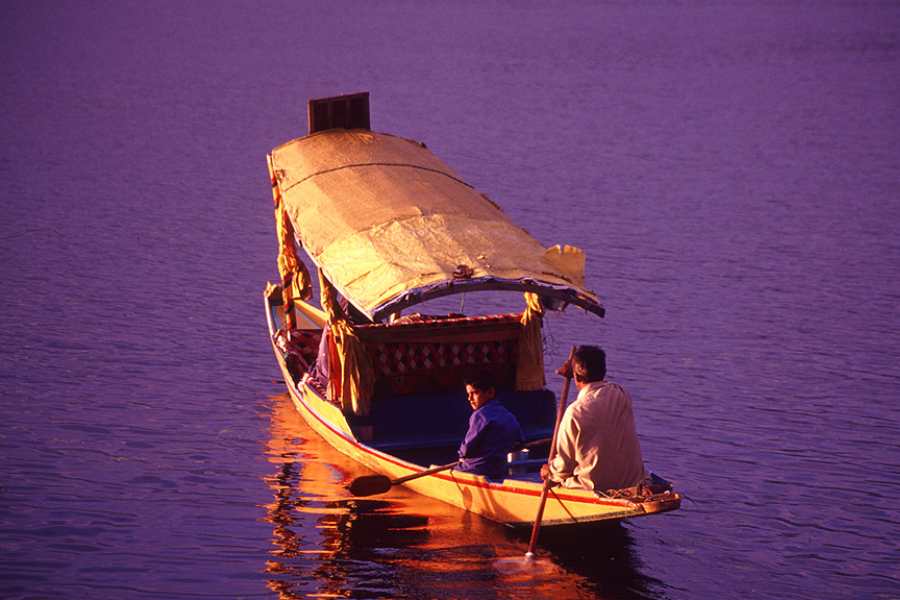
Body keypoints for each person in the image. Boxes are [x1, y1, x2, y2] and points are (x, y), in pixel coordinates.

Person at [541, 345, 647, 492]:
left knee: (556, 477)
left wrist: (549, 472)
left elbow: (564, 467)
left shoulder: (574, 413)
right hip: (630, 482)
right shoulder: (620, 394)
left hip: (592, 487)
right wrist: (574, 370)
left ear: (576, 376)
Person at [457, 372, 524, 479]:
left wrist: (461, 456)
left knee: (455, 470)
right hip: (499, 469)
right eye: (468, 394)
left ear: (490, 392)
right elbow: (519, 444)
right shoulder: (508, 414)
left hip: (476, 470)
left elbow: (466, 450)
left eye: (474, 393)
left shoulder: (480, 415)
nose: (469, 398)